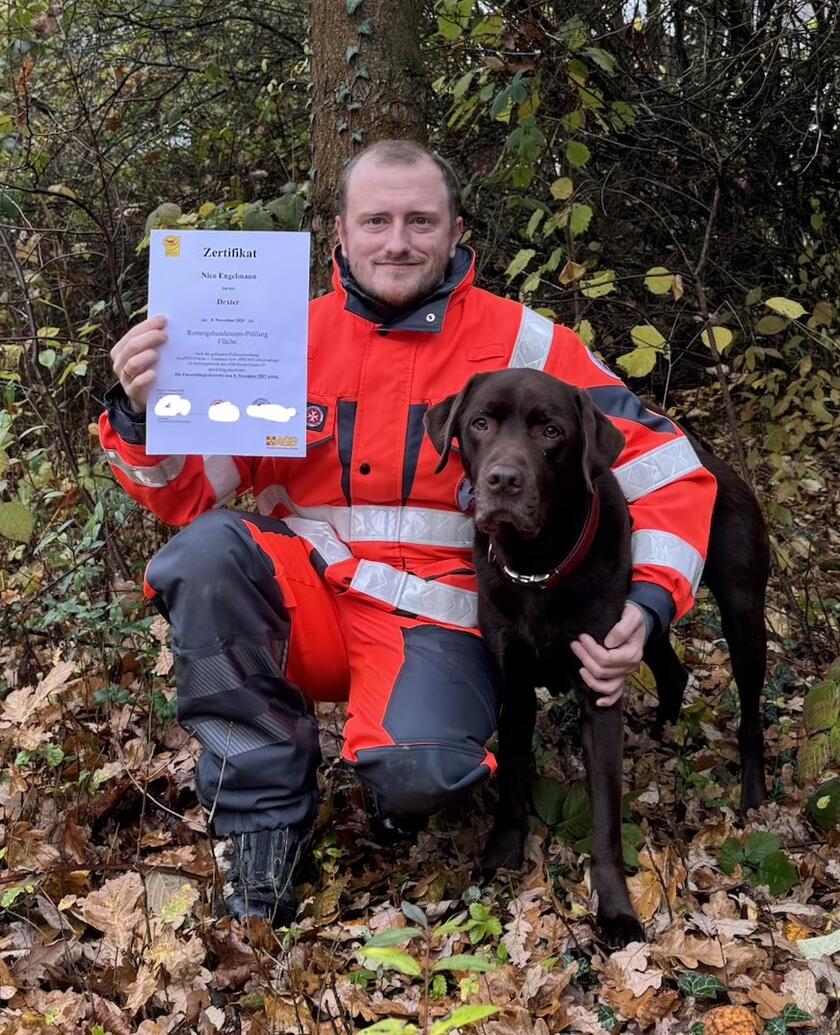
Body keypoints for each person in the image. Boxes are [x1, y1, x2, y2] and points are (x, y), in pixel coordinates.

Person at [100, 139, 717, 924]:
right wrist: (140, 412)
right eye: (377, 220)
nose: (398, 241)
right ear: (341, 234)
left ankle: (404, 776)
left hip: (442, 620)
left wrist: (650, 604)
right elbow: (192, 495)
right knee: (207, 552)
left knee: (423, 772)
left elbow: (668, 468)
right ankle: (261, 833)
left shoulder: (529, 346)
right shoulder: (280, 336)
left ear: (458, 232)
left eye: (421, 221)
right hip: (314, 603)